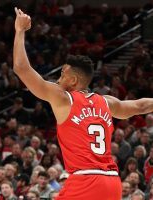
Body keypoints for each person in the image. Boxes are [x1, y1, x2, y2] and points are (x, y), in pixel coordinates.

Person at [13, 8, 153, 200]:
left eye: (62, 75)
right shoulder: (106, 102)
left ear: (73, 81)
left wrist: (20, 31)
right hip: (112, 182)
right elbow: (141, 106)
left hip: (85, 180)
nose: (58, 79)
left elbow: (21, 68)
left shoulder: (63, 97)